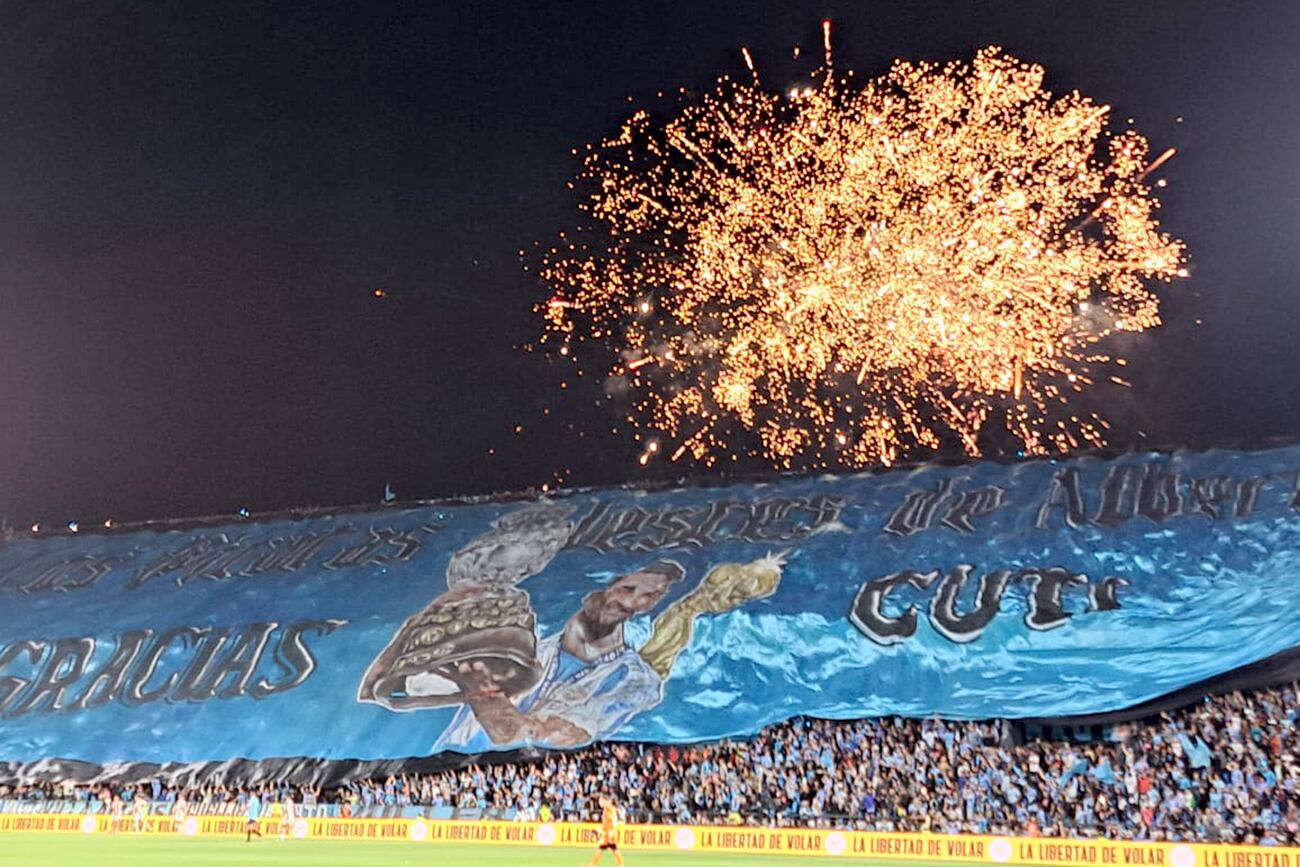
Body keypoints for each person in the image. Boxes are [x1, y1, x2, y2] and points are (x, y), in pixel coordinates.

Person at [585, 794, 624, 867]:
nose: (599, 803)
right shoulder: (606, 809)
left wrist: (611, 831)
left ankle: (593, 864)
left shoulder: (610, 809)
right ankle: (620, 865)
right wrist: (600, 829)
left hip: (609, 833)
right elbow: (606, 823)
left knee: (610, 848)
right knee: (610, 848)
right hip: (607, 833)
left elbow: (613, 821)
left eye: (601, 801)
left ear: (605, 801)